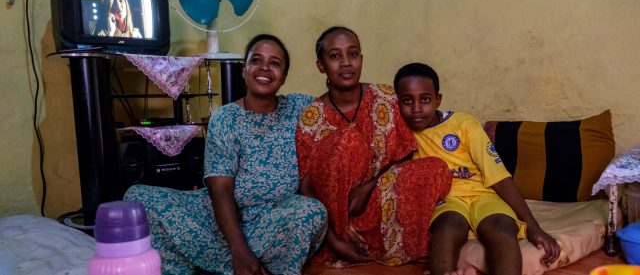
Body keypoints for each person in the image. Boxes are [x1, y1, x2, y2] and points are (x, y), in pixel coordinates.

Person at [124, 34, 327, 275]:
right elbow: (220, 190)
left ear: (283, 77)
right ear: (244, 70)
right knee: (138, 199)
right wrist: (239, 250)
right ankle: (242, 262)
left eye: (275, 63)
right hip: (222, 217)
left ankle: (217, 263)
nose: (264, 68)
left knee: (310, 212)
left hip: (273, 219)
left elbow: (338, 104)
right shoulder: (226, 118)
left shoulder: (298, 108)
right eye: (256, 60)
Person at [296, 26, 452, 268]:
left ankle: (382, 242)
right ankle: (344, 240)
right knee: (346, 141)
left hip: (382, 201)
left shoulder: (386, 97)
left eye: (353, 54)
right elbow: (306, 187)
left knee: (435, 168)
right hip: (336, 215)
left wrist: (370, 186)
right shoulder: (311, 117)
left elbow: (405, 153)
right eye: (335, 56)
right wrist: (334, 240)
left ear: (361, 58)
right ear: (321, 65)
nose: (346, 63)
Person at [393, 62, 561, 275]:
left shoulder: (463, 124)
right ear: (396, 103)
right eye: (407, 101)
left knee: (501, 227)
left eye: (425, 99)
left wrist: (534, 228)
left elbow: (498, 176)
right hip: (446, 200)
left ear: (438, 100)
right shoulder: (400, 136)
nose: (416, 109)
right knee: (447, 227)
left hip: (484, 195)